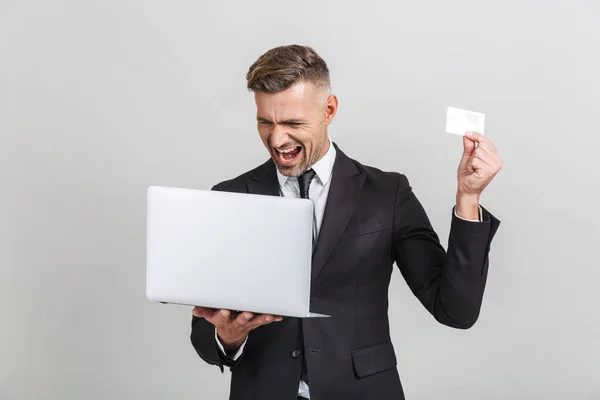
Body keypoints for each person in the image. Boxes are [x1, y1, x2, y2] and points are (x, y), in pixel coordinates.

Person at [190, 44, 502, 400]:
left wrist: (468, 199)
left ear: (329, 110)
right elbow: (204, 331)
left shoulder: (388, 193)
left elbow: (456, 310)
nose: (277, 139)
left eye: (293, 123)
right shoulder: (230, 197)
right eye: (266, 122)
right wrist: (228, 337)